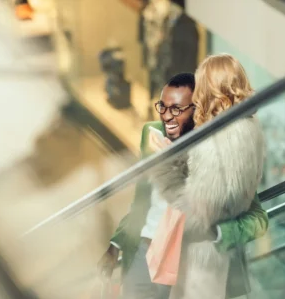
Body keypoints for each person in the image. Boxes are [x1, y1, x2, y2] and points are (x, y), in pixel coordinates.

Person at [98, 72, 268, 299]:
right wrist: (116, 244)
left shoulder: (218, 150)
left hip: (188, 262)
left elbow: (258, 220)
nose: (167, 116)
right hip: (143, 252)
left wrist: (217, 233)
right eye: (162, 107)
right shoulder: (153, 134)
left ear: (197, 109)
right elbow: (141, 202)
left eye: (176, 109)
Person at [151, 54, 266, 299]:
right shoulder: (245, 126)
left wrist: (165, 169)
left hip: (203, 254)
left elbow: (201, 213)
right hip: (211, 250)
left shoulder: (222, 138)